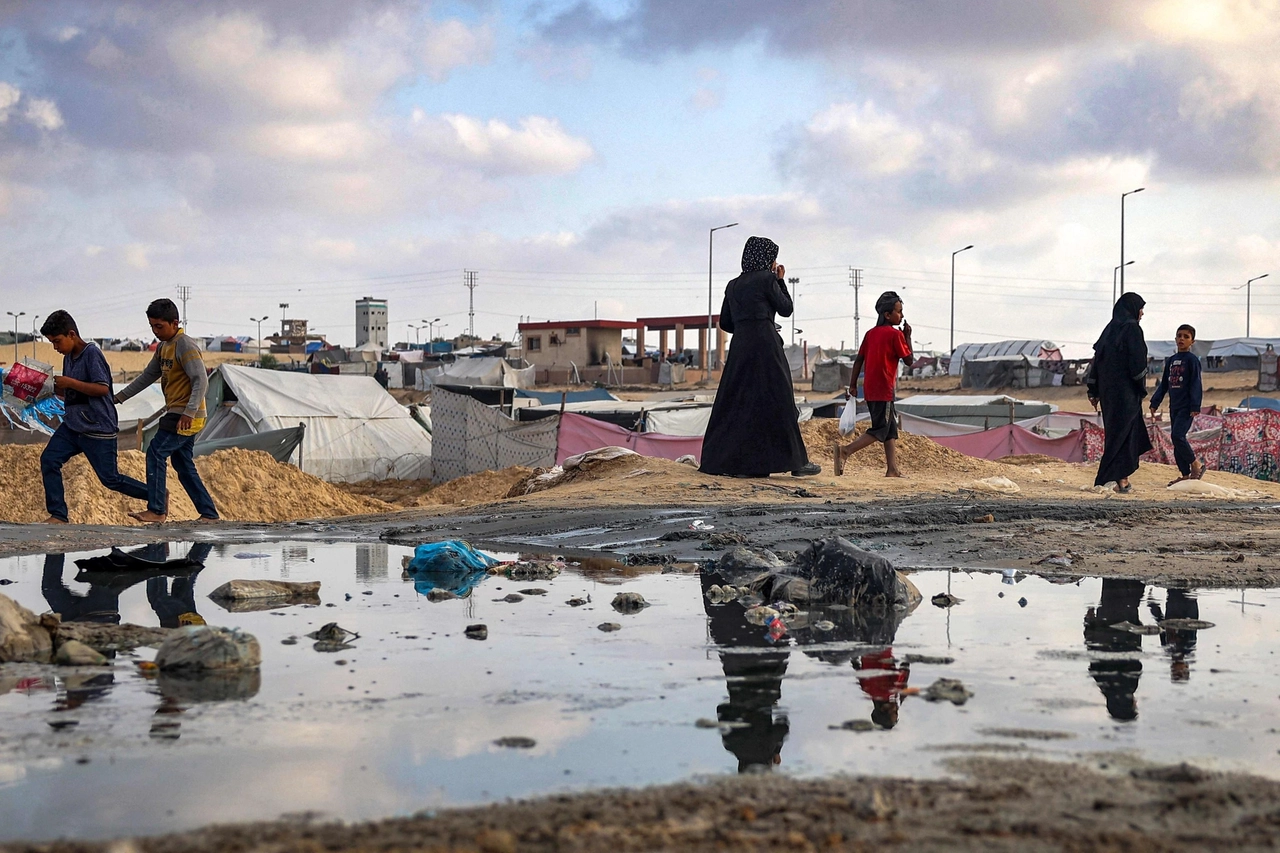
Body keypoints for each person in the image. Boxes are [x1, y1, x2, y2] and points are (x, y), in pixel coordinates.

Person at [700, 236, 819, 478]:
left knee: (739, 401)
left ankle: (742, 464)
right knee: (780, 398)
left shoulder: (733, 285)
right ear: (766, 259)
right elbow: (786, 309)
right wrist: (780, 282)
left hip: (741, 347)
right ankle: (797, 463)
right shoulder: (767, 278)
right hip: (766, 344)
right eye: (773, 258)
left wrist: (746, 325)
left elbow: (725, 322)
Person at [113, 299, 220, 523]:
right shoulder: (163, 348)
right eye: (152, 326)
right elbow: (147, 377)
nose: (155, 331)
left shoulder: (184, 345)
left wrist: (189, 412)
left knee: (156, 452)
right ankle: (209, 513)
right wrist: (119, 397)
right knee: (182, 464)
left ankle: (157, 510)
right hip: (177, 412)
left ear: (174, 322)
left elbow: (201, 380)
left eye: (159, 326)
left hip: (185, 415)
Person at [38, 310, 149, 524]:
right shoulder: (69, 357)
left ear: (72, 334)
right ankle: (58, 514)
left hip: (97, 425)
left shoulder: (91, 354)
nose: (56, 347)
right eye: (52, 343)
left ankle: (157, 496)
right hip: (73, 424)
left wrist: (68, 383)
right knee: (49, 459)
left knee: (110, 479)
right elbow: (74, 391)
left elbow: (102, 389)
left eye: (57, 341)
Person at [833, 291, 913, 478]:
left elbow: (859, 360)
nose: (901, 316)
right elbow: (909, 360)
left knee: (890, 428)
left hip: (870, 389)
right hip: (884, 389)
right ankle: (846, 451)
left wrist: (852, 385)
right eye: (898, 312)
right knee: (880, 429)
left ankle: (892, 469)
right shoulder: (895, 335)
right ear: (887, 315)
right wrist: (908, 336)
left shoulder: (870, 334)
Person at [1087, 292, 1152, 493]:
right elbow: (1138, 364)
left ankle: (1119, 478)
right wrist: (1140, 387)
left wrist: (1093, 390)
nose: (1142, 313)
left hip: (1108, 395)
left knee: (1117, 435)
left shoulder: (1109, 330)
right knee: (1124, 436)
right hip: (1126, 394)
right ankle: (1110, 478)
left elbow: (1097, 362)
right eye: (1140, 308)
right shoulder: (1132, 329)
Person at [1149, 324, 1204, 485]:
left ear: (1192, 341)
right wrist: (1155, 402)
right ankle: (1185, 475)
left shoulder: (1192, 361)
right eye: (1179, 336)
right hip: (1174, 406)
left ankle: (1196, 465)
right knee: (1177, 440)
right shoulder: (1171, 361)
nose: (1182, 339)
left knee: (1177, 436)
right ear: (1175, 339)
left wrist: (1195, 405)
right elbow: (1164, 384)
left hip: (1187, 407)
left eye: (1186, 337)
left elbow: (1196, 383)